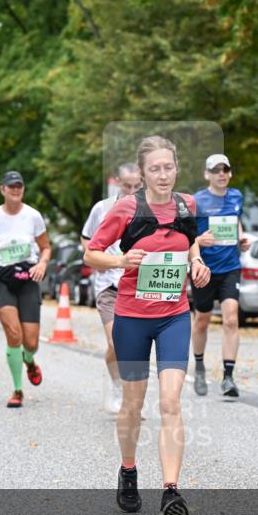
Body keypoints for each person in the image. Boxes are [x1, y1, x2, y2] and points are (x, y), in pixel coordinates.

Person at [85, 135, 211, 515]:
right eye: (154, 168)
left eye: (168, 167)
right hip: (133, 318)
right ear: (142, 174)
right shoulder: (126, 208)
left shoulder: (188, 205)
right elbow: (90, 253)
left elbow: (191, 245)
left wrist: (197, 264)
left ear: (177, 168)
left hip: (174, 315)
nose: (162, 174)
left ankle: (171, 491)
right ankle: (128, 469)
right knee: (133, 406)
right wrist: (121, 260)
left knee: (171, 401)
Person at [0, 171, 51, 408]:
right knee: (13, 333)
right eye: (11, 186)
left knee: (31, 341)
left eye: (19, 186)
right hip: (1, 278)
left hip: (27, 278)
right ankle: (17, 390)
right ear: (2, 190)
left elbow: (45, 247)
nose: (16, 190)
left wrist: (42, 263)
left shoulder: (33, 216)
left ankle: (29, 360)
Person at [81, 162, 143, 414]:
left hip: (138, 285)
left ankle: (133, 399)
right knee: (116, 342)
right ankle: (117, 387)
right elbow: (86, 238)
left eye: (137, 186)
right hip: (109, 284)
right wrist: (97, 259)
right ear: (118, 182)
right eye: (127, 185)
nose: (131, 190)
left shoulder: (149, 208)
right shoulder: (102, 208)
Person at [191, 154, 251, 398]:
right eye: (215, 170)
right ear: (207, 174)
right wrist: (198, 240)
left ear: (230, 173)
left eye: (225, 170)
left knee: (231, 319)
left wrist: (242, 237)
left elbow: (235, 222)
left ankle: (228, 377)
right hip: (204, 268)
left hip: (230, 267)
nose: (221, 174)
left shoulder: (236, 196)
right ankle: (198, 366)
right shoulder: (196, 201)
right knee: (202, 320)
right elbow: (185, 237)